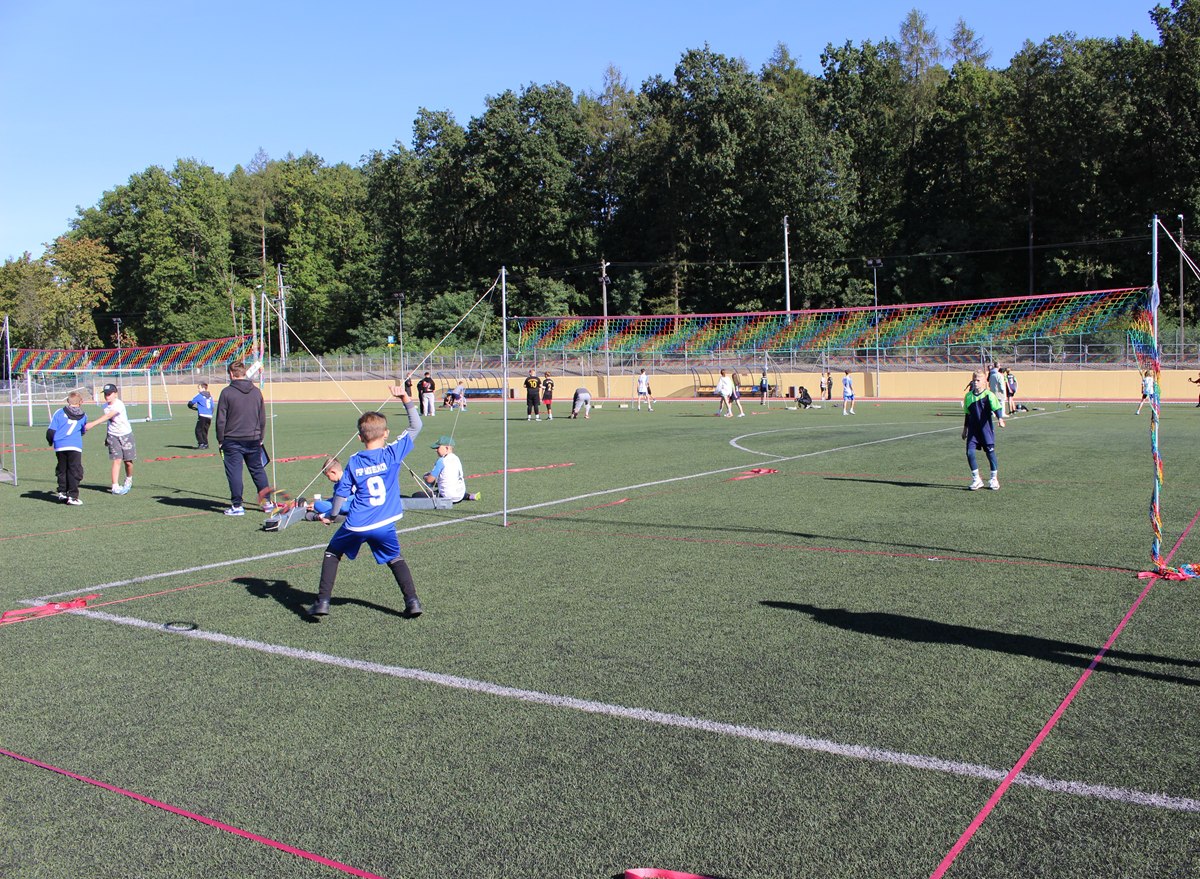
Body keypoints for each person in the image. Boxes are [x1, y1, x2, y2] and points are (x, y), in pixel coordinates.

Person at [309, 389, 424, 619]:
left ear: (360, 437)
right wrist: (405, 398)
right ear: (386, 433)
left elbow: (341, 494)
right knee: (395, 558)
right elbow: (416, 426)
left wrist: (331, 515)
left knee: (332, 552)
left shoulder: (354, 461)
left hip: (358, 523)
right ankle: (412, 602)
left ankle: (322, 602)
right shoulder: (392, 453)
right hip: (385, 522)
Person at [216, 360, 270, 516]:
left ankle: (237, 505)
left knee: (235, 472)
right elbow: (262, 417)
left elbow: (221, 419)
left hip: (232, 439)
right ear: (244, 373)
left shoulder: (227, 392)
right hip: (253, 438)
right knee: (257, 470)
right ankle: (267, 503)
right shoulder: (256, 392)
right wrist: (261, 436)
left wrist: (220, 439)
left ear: (231, 374)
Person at [406, 435, 480, 509]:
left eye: (438, 448)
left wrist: (425, 477)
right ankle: (469, 496)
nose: (436, 450)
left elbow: (429, 480)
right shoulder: (456, 458)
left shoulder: (441, 461)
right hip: (460, 495)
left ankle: (431, 494)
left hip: (447, 497)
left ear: (447, 448)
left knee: (416, 495)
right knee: (449, 486)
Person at [962, 370, 1005, 490]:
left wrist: (1000, 419)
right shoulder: (968, 396)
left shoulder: (989, 395)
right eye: (974, 380)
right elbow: (967, 414)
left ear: (984, 382)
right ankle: (976, 479)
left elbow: (996, 408)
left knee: (990, 453)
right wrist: (965, 429)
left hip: (986, 430)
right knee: (969, 453)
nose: (975, 382)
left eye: (978, 380)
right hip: (973, 431)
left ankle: (994, 479)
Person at [90, 383, 135, 495]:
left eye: (109, 394)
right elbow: (109, 422)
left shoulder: (119, 405)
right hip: (112, 435)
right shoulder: (105, 406)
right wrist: (107, 436)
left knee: (128, 462)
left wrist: (92, 424)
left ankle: (129, 478)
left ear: (115, 394)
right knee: (117, 460)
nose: (107, 396)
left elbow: (108, 416)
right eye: (105, 394)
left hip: (125, 435)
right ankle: (115, 486)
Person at [46, 391, 88, 505]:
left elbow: (51, 431)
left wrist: (50, 441)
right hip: (74, 445)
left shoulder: (59, 412)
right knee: (74, 470)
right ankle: (73, 496)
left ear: (68, 401)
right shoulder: (83, 415)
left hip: (60, 445)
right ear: (81, 402)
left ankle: (62, 492)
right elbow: (83, 431)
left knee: (62, 469)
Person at [187, 381, 215, 449]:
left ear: (203, 388)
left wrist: (190, 405)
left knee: (198, 430)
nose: (198, 390)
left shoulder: (199, 395)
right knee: (205, 430)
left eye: (199, 388)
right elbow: (212, 407)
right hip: (209, 416)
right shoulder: (210, 397)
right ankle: (206, 444)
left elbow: (191, 403)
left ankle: (201, 443)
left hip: (202, 416)